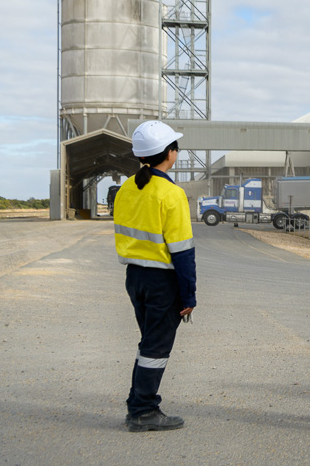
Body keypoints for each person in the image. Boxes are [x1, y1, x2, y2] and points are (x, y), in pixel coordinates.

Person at [113, 120, 196, 432]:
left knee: (149, 343)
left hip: (135, 278)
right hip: (162, 282)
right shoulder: (171, 193)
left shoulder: (126, 188)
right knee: (156, 348)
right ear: (170, 153)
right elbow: (182, 251)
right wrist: (189, 295)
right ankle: (143, 410)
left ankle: (137, 403)